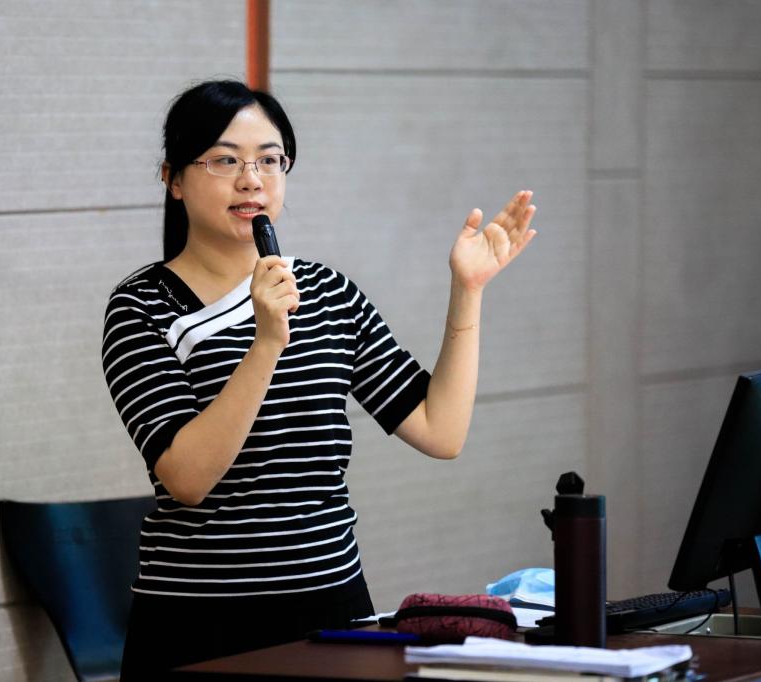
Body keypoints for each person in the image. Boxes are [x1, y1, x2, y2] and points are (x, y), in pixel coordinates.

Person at [101, 79, 536, 679]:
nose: (252, 180)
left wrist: (468, 290)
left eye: (269, 160)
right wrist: (266, 341)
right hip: (198, 619)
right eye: (225, 160)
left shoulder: (329, 293)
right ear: (173, 179)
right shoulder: (142, 306)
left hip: (331, 603)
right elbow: (188, 478)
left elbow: (441, 431)